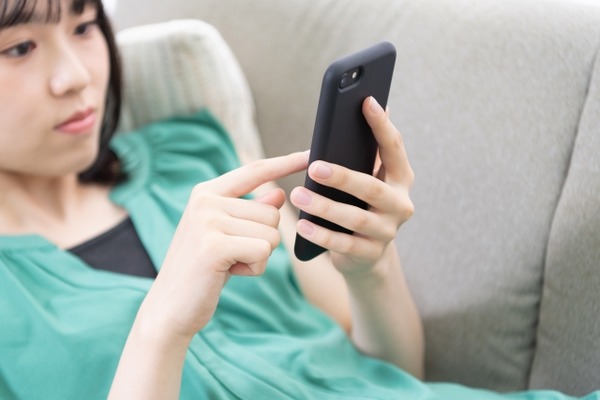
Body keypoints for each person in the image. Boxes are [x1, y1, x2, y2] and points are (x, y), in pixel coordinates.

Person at [0, 1, 597, 399]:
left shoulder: (192, 158)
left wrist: (368, 267)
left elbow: (394, 375)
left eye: (84, 26)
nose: (75, 76)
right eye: (20, 48)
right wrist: (163, 325)